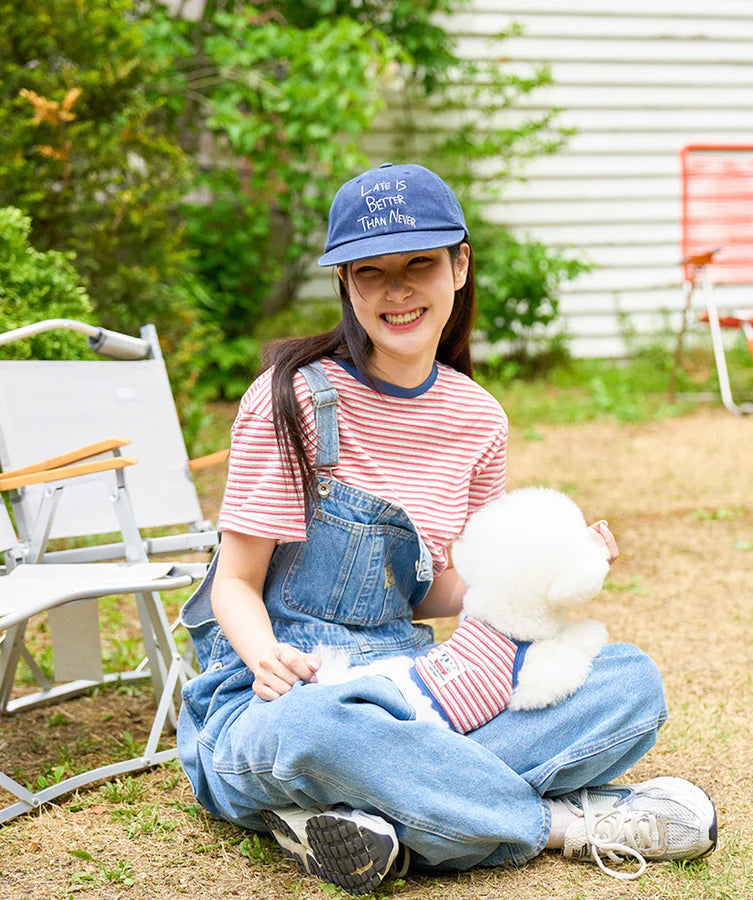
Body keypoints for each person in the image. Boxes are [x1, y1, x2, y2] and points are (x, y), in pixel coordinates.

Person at [176, 162, 717, 894]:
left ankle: (376, 814)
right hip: (280, 698)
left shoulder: (477, 418)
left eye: (420, 264)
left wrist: (545, 574)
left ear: (459, 266)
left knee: (628, 683)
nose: (398, 291)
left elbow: (440, 595)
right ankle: (567, 825)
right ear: (345, 285)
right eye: (372, 272)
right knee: (318, 731)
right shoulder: (295, 398)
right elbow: (236, 583)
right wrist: (266, 656)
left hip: (415, 689)